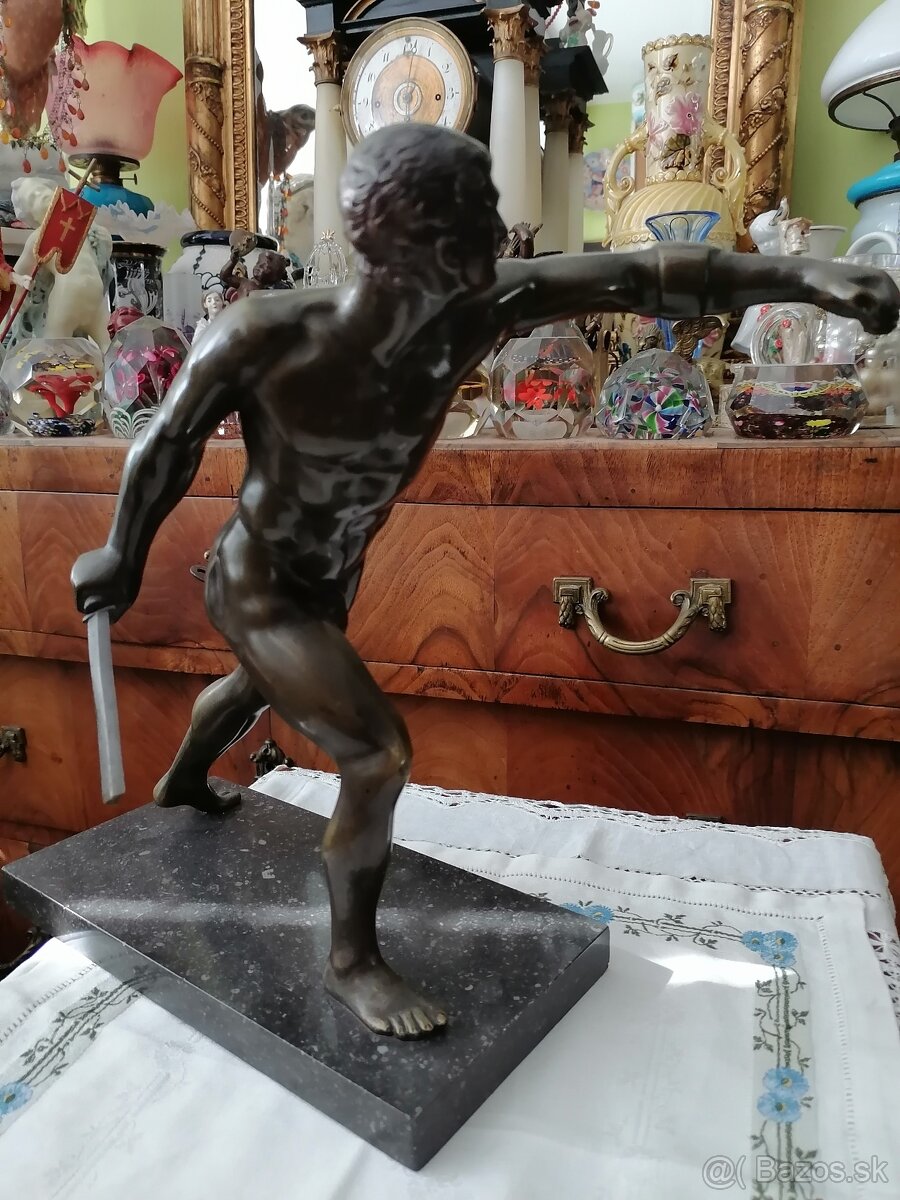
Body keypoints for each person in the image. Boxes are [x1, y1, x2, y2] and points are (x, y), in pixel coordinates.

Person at [71, 124, 900, 1040]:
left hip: (334, 574)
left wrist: (806, 276)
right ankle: (351, 962)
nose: (495, 243)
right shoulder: (263, 334)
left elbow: (644, 274)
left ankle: (182, 780)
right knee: (375, 754)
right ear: (401, 241)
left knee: (257, 684)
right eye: (473, 227)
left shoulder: (474, 309)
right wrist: (121, 554)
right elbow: (166, 445)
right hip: (257, 581)